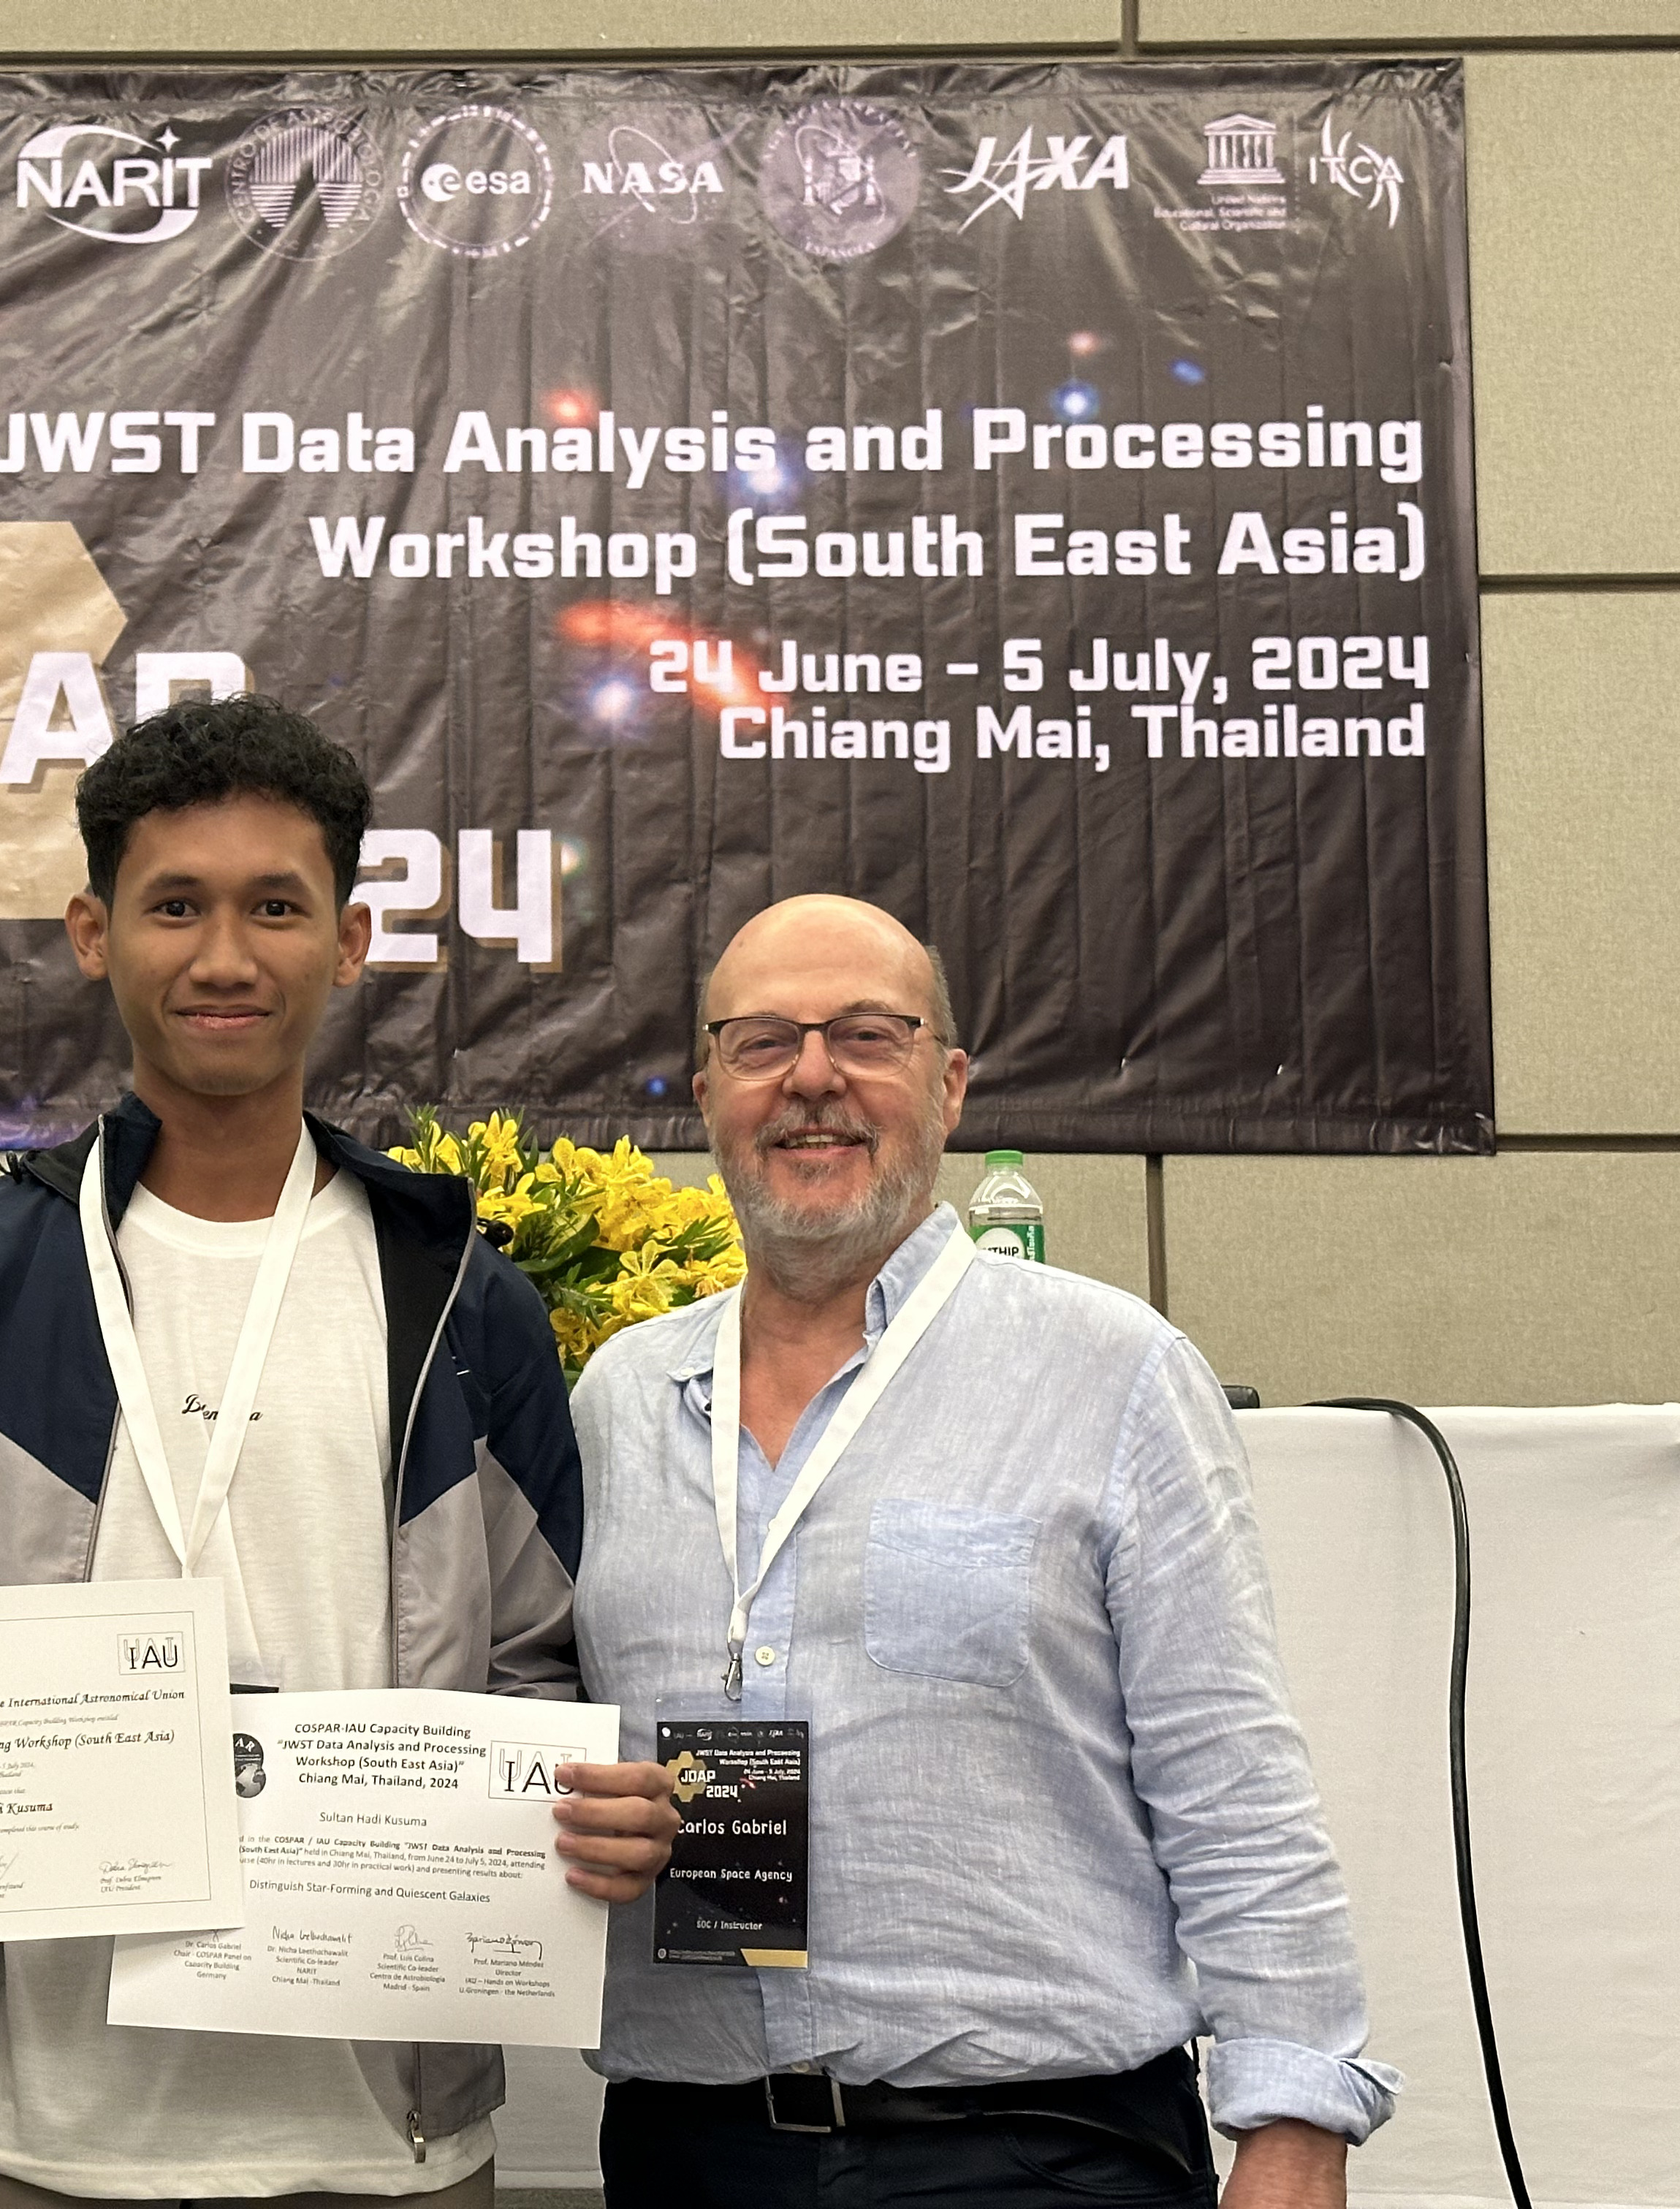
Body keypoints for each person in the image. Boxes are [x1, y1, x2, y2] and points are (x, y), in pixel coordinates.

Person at [0, 694, 676, 2208]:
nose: (224, 956)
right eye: (176, 905)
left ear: (349, 939)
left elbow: (540, 1678)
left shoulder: (467, 1307)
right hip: (13, 2140)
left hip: (383, 2145)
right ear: (93, 933)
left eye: (276, 906)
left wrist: (592, 1803)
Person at [569, 894, 1399, 2207]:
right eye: (764, 1041)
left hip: (1035, 2156)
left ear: (949, 1087)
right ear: (711, 1093)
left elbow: (1231, 1778)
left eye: (868, 1035)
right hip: (693, 2152)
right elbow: (542, 1728)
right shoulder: (619, 1398)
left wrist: (1295, 2130)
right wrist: (567, 1815)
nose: (813, 1079)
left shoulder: (1115, 1373)